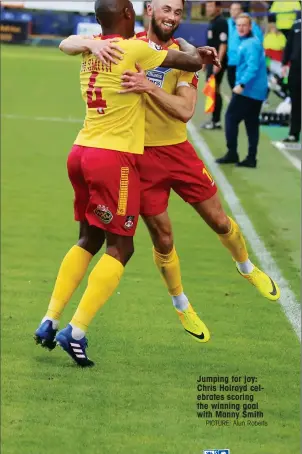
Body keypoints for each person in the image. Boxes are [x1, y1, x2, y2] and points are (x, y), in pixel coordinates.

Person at [34, 0, 218, 368]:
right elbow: (192, 64)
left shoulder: (91, 49)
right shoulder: (135, 48)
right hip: (112, 159)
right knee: (122, 248)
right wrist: (192, 49)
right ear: (132, 17)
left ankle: (49, 320)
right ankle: (77, 331)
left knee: (88, 238)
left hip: (81, 151)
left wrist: (86, 42)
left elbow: (65, 43)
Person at [119, 1, 280, 327]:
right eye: (166, 9)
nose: (172, 17)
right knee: (162, 239)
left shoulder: (184, 56)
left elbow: (184, 110)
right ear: (149, 9)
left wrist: (148, 86)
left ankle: (246, 266)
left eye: (178, 13)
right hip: (141, 156)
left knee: (219, 221)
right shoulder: (129, 46)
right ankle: (181, 305)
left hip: (178, 152)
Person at [216, 13, 268, 167]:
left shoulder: (250, 44)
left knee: (231, 118)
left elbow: (252, 67)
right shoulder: (248, 41)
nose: (241, 28)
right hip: (256, 91)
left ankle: (232, 153)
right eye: (238, 25)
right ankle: (251, 157)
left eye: (244, 25)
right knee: (251, 122)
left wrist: (242, 85)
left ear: (250, 27)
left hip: (249, 90)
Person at [201, 1, 228, 130]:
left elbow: (223, 44)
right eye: (207, 6)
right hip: (211, 60)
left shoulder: (221, 22)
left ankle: (216, 121)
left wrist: (218, 62)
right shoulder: (213, 21)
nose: (208, 9)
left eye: (211, 6)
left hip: (217, 61)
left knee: (215, 88)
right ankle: (214, 119)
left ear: (218, 8)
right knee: (212, 89)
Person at [227, 1, 263, 89]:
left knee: (243, 88)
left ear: (241, 11)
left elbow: (258, 41)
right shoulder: (228, 23)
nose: (234, 12)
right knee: (233, 87)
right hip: (231, 61)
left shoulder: (250, 25)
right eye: (232, 9)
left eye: (236, 9)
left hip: (244, 63)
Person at [281, 12, 301, 143]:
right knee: (296, 101)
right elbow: (289, 44)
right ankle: (293, 133)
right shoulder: (297, 23)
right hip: (295, 67)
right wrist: (284, 63)